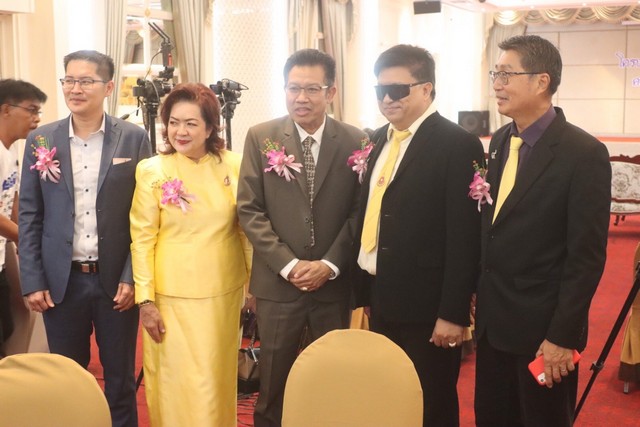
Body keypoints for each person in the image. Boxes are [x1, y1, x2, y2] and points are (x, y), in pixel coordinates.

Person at [474, 34, 611, 427]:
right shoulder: (501, 141)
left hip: (543, 333)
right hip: (493, 325)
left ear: (541, 81)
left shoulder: (583, 153)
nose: (497, 84)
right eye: (495, 74)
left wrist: (562, 337)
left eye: (506, 74)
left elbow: (586, 258)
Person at [18, 50, 151, 427]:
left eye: (86, 81)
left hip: (116, 283)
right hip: (61, 282)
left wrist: (132, 276)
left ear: (108, 87)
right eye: (69, 80)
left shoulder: (133, 138)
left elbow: (146, 215)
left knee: (120, 380)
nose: (75, 89)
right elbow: (30, 214)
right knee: (67, 379)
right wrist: (33, 279)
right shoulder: (42, 139)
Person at [354, 44, 484, 427]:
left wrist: (453, 313)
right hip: (382, 296)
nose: (387, 99)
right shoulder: (378, 139)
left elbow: (464, 236)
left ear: (426, 89)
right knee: (391, 398)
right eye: (381, 90)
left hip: (429, 306)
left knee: (431, 401)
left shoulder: (457, 144)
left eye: (398, 89)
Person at [237, 48, 367, 427]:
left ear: (331, 92)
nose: (301, 98)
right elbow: (249, 209)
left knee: (331, 376)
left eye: (312, 89)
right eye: (293, 88)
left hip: (332, 284)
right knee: (273, 384)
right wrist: (289, 265)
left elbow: (359, 212)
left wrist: (329, 264)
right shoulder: (261, 137)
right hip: (278, 284)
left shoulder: (356, 140)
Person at [130, 82, 252, 426]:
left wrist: (254, 284)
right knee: (174, 383)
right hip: (170, 297)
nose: (179, 131)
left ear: (211, 127)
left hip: (223, 292)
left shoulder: (235, 165)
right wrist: (145, 300)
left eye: (190, 123)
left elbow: (245, 230)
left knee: (215, 379)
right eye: (173, 122)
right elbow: (142, 238)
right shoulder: (153, 170)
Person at [0, 79, 47, 357]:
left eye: (38, 111)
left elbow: (12, 199)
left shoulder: (11, 150)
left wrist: (24, 236)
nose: (36, 118)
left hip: (2, 259)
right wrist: (28, 239)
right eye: (31, 110)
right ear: (6, 109)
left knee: (8, 328)